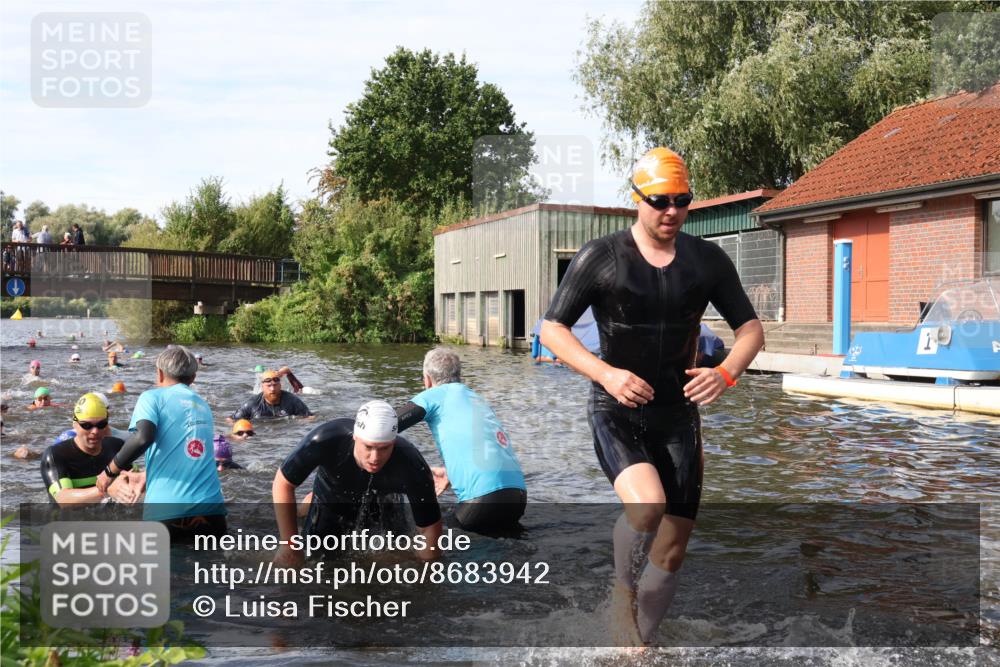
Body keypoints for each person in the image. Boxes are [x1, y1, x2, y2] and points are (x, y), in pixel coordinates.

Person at [539, 146, 764, 646]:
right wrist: (606, 374)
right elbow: (552, 328)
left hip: (677, 415)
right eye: (660, 201)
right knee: (646, 508)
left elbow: (751, 330)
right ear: (637, 199)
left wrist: (726, 373)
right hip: (617, 408)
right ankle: (623, 593)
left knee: (673, 549)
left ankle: (638, 646)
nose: (672, 212)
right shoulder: (602, 257)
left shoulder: (706, 261)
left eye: (682, 201)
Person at [272, 400, 442, 567]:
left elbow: (429, 529)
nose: (375, 458)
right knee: (316, 561)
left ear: (394, 442)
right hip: (332, 498)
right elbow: (283, 483)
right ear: (355, 437)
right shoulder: (325, 439)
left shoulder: (412, 464)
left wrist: (425, 572)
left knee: (397, 558)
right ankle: (308, 505)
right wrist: (289, 543)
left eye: (384, 448)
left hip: (386, 504)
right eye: (368, 447)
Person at [95, 345, 226, 540]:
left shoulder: (151, 397)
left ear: (160, 373)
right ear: (193, 378)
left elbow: (142, 437)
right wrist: (148, 475)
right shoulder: (202, 404)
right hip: (213, 512)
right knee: (206, 570)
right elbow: (189, 455)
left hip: (168, 513)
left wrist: (109, 472)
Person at [397, 347, 527, 533]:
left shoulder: (432, 395)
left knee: (427, 538)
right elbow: (484, 445)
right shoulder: (476, 398)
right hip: (517, 496)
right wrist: (452, 473)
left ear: (427, 379)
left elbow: (386, 424)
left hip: (484, 498)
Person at [41, 392, 145, 506]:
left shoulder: (116, 447)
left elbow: (136, 480)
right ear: (75, 424)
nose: (95, 431)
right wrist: (105, 490)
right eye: (87, 425)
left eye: (101, 424)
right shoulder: (56, 454)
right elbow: (62, 499)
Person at [229, 369, 312, 421]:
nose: (272, 389)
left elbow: (310, 417)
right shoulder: (252, 404)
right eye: (269, 386)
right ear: (262, 387)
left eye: (275, 385)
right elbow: (231, 420)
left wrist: (300, 423)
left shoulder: (292, 401)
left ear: (280, 386)